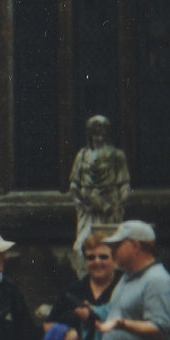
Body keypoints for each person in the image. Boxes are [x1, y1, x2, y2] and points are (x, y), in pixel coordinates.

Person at [67, 115, 129, 276]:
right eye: (95, 134)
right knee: (82, 246)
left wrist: (117, 204)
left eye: (102, 133)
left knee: (110, 247)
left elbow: (124, 184)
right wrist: (81, 203)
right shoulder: (82, 156)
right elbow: (74, 185)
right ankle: (85, 283)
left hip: (110, 209)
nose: (98, 137)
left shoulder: (116, 155)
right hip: (87, 210)